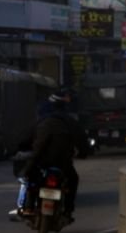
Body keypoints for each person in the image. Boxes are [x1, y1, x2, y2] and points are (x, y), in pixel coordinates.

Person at [21, 91, 83, 222]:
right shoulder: (71, 122)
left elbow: (25, 140)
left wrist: (20, 149)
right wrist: (85, 152)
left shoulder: (42, 121)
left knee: (30, 177)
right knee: (73, 180)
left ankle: (28, 207)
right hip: (63, 164)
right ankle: (68, 210)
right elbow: (82, 141)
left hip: (42, 162)